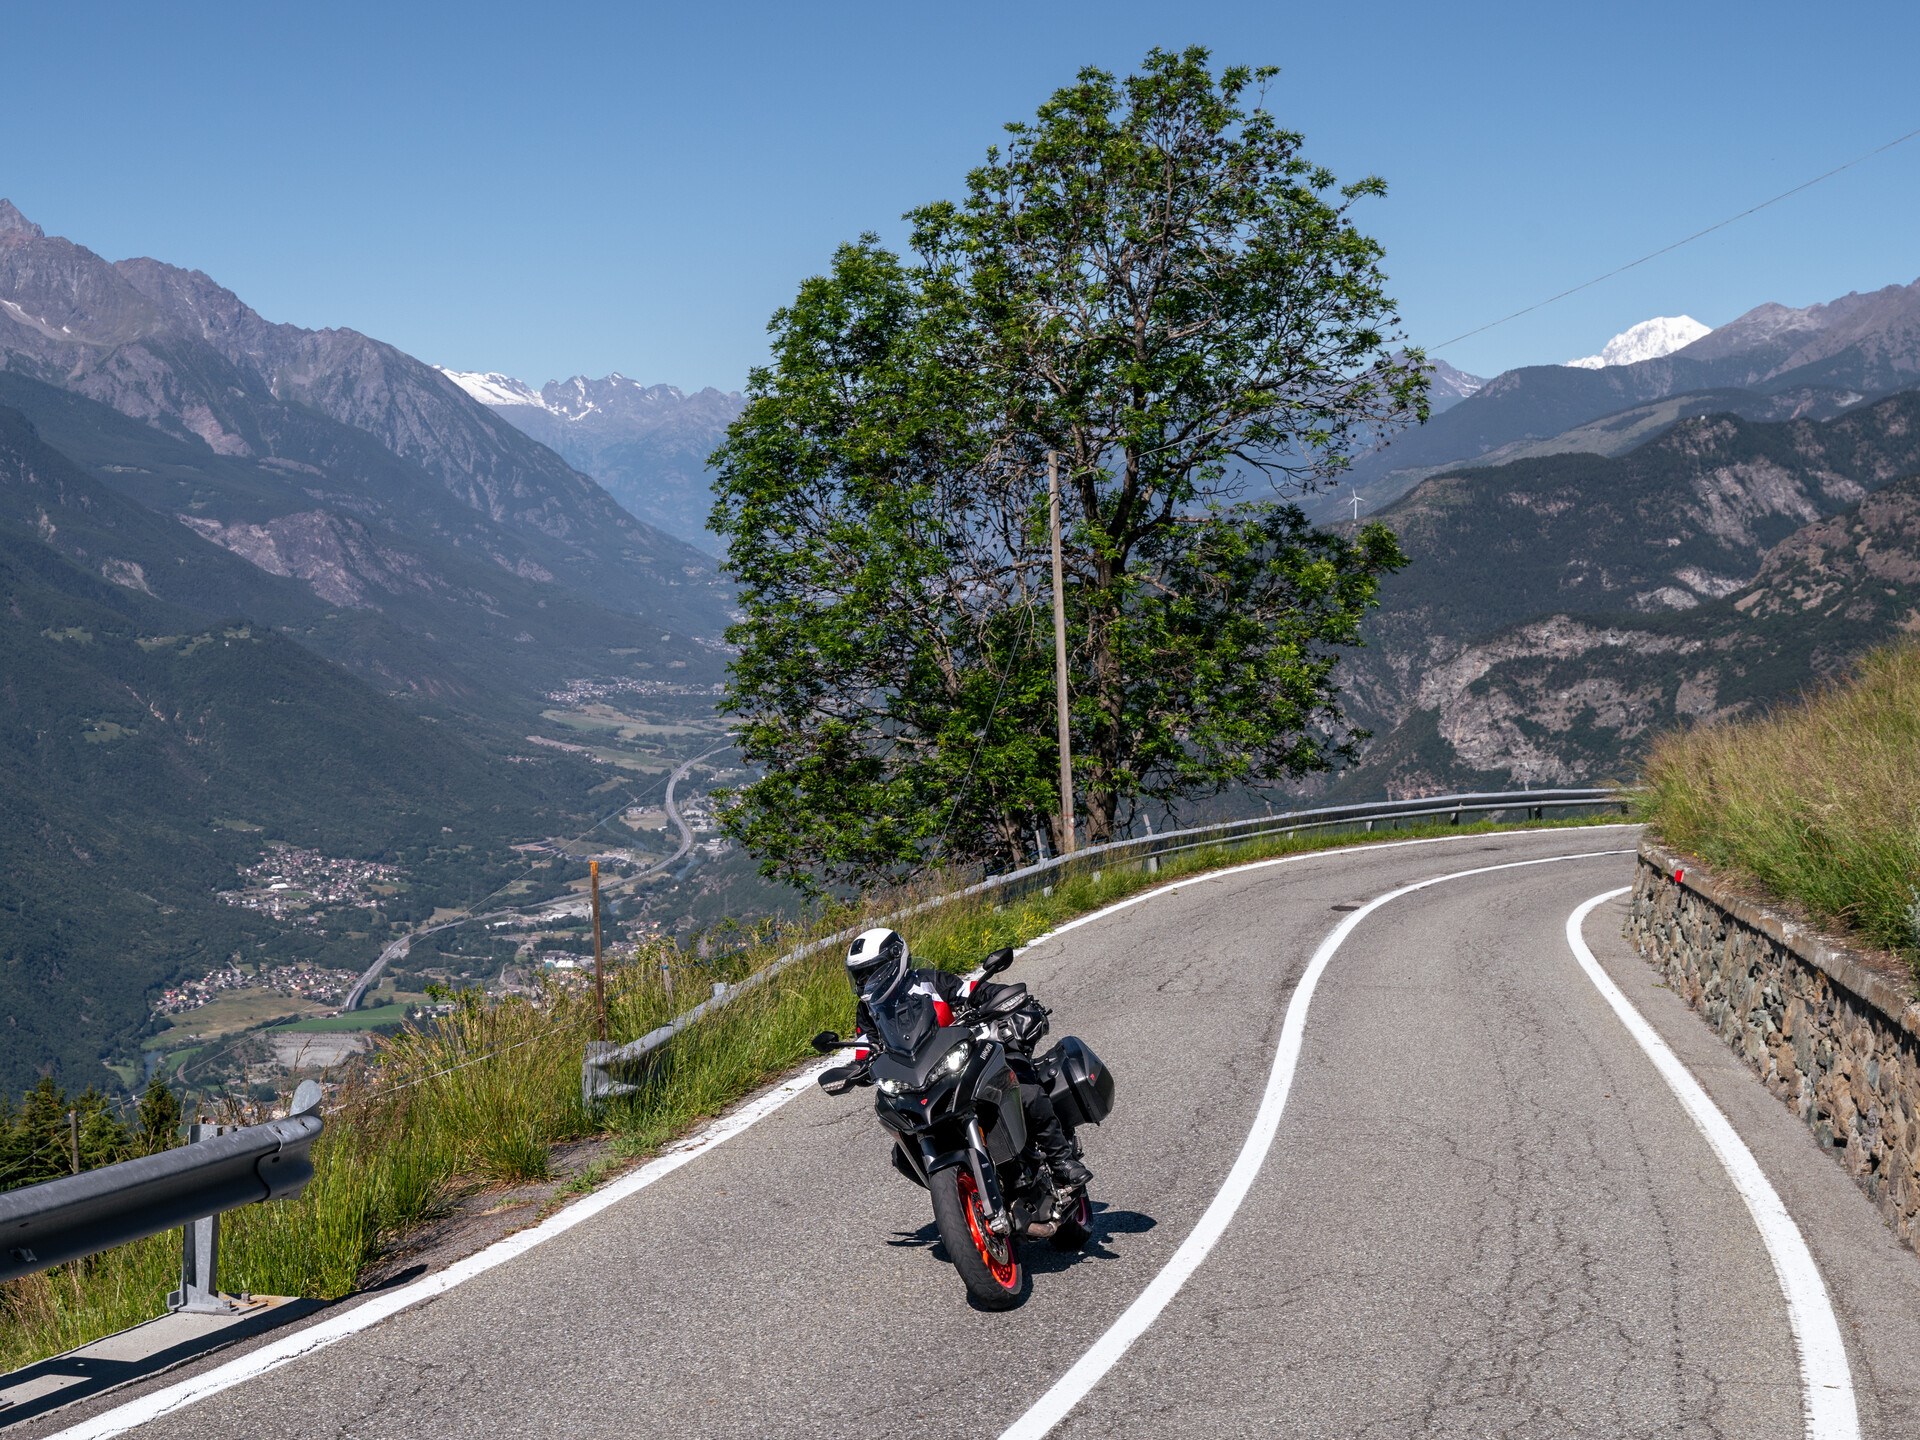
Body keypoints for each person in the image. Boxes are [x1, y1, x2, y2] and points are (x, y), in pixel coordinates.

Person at [843, 926, 1092, 1190]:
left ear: (896, 959)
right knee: (902, 1155)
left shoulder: (930, 981)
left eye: (872, 972)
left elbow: (972, 991)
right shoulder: (868, 1010)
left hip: (963, 1059)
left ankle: (1061, 1161)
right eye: (860, 976)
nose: (866, 982)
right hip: (921, 1078)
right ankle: (958, 1190)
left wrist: (1000, 998)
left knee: (1028, 1094)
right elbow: (865, 1050)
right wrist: (856, 1070)